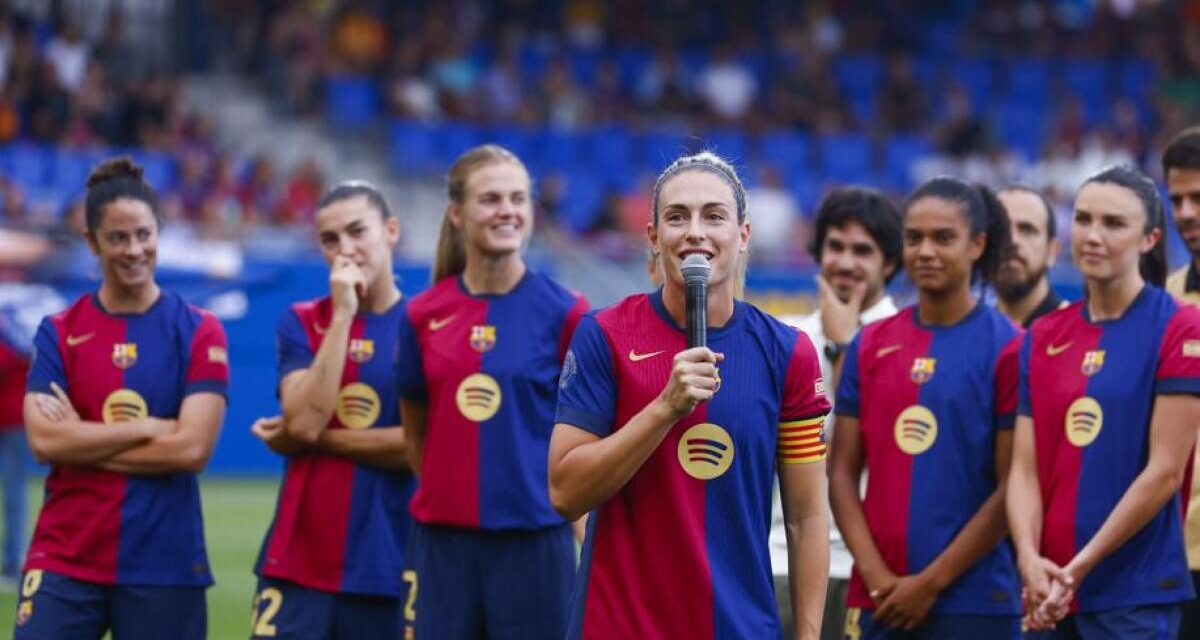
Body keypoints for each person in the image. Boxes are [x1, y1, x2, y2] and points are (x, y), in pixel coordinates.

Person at [550, 151, 831, 639]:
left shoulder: (788, 352)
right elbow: (565, 493)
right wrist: (663, 409)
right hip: (618, 628)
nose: (695, 231)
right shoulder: (604, 334)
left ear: (743, 236)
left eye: (714, 216)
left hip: (738, 628)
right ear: (655, 238)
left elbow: (807, 518)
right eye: (677, 217)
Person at [17, 157, 228, 639]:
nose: (134, 250)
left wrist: (83, 440)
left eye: (144, 235)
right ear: (91, 242)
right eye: (117, 238)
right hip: (66, 555)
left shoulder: (197, 329)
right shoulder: (59, 332)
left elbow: (192, 450)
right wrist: (152, 427)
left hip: (165, 562)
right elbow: (46, 443)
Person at [395, 144, 588, 640]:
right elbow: (417, 432)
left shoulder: (566, 312)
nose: (508, 210)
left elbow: (584, 439)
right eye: (491, 199)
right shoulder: (421, 314)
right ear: (457, 213)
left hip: (535, 547)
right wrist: (450, 492)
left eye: (518, 198)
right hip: (441, 549)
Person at [1008, 165, 1200, 638]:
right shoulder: (1044, 335)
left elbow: (1165, 472)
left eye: (1114, 224)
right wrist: (1030, 560)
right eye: (1084, 219)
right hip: (1047, 590)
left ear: (1150, 238)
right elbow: (1024, 469)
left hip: (1132, 595)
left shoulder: (1181, 328)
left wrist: (1077, 569)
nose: (1093, 235)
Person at [829, 177, 1022, 639]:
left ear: (977, 244)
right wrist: (876, 578)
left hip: (974, 603)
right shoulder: (870, 343)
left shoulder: (1011, 348)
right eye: (914, 238)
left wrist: (930, 583)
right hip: (880, 598)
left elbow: (1011, 486)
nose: (925, 251)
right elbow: (840, 473)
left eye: (943, 238)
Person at [246, 182, 415, 640]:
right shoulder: (303, 320)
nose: (345, 250)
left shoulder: (426, 327)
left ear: (391, 231)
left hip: (391, 565)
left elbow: (420, 449)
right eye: (329, 239)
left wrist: (314, 441)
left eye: (358, 232)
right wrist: (343, 314)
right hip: (297, 562)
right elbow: (302, 421)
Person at [771, 186, 904, 640]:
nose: (846, 262)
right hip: (779, 559)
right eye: (836, 246)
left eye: (862, 250)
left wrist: (843, 347)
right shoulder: (785, 337)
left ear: (888, 262)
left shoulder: (909, 342)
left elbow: (885, 444)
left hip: (867, 569)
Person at [1162, 125, 1200, 639]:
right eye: (1177, 200)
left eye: (1199, 197)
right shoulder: (1163, 304)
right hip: (1175, 556)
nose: (1187, 212)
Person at [994, 185, 1066, 328]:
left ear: (1052, 251)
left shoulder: (1079, 335)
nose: (1012, 240)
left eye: (1027, 230)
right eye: (1000, 229)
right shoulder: (967, 336)